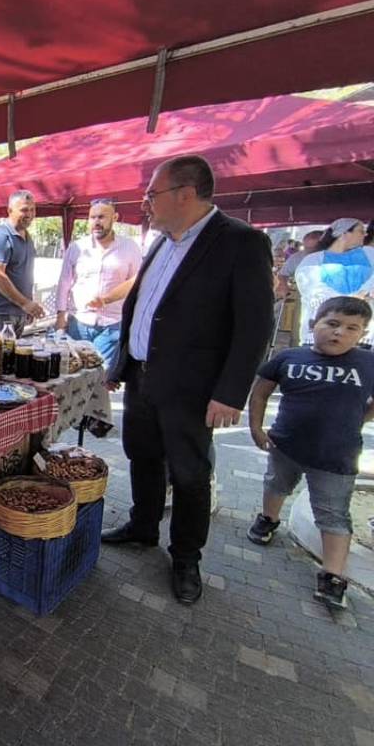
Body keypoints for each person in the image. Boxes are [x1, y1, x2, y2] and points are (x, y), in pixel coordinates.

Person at [101, 155, 274, 605]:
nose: (145, 203)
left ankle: (185, 557)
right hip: (143, 378)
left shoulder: (241, 242)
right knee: (142, 455)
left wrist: (230, 393)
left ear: (185, 193)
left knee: (190, 474)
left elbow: (255, 326)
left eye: (152, 194)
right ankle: (143, 525)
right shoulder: (161, 242)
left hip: (194, 389)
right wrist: (122, 365)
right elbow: (142, 307)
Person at [247, 297, 374, 609]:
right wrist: (256, 428)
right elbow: (261, 391)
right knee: (276, 484)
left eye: (351, 328)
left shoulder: (368, 363)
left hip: (336, 457)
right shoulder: (290, 357)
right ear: (312, 324)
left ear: (362, 334)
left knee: (333, 513)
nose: (339, 333)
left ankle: (332, 574)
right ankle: (268, 519)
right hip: (285, 445)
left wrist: (360, 417)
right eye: (332, 324)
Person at [54, 198, 142, 369]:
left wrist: (107, 300)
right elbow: (64, 284)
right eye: (92, 217)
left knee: (101, 378)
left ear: (115, 218)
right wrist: (60, 317)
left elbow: (136, 282)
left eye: (101, 217)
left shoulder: (130, 247)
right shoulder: (77, 247)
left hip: (112, 326)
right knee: (73, 374)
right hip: (79, 323)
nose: (96, 222)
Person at [294, 218, 374, 345]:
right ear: (344, 233)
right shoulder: (313, 261)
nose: (365, 234)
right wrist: (352, 298)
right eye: (360, 231)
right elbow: (312, 291)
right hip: (323, 329)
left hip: (362, 331)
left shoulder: (370, 255)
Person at [0, 190, 46, 337]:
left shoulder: (27, 237)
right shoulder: (1, 236)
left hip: (19, 312)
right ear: (10, 210)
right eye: (24, 210)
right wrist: (25, 303)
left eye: (32, 209)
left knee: (14, 359)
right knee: (0, 359)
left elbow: (23, 275)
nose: (29, 214)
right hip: (1, 313)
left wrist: (27, 306)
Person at [276, 229, 322, 299]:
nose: (308, 252)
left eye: (313, 249)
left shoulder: (333, 256)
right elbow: (282, 274)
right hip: (303, 295)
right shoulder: (297, 257)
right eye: (306, 248)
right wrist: (284, 286)